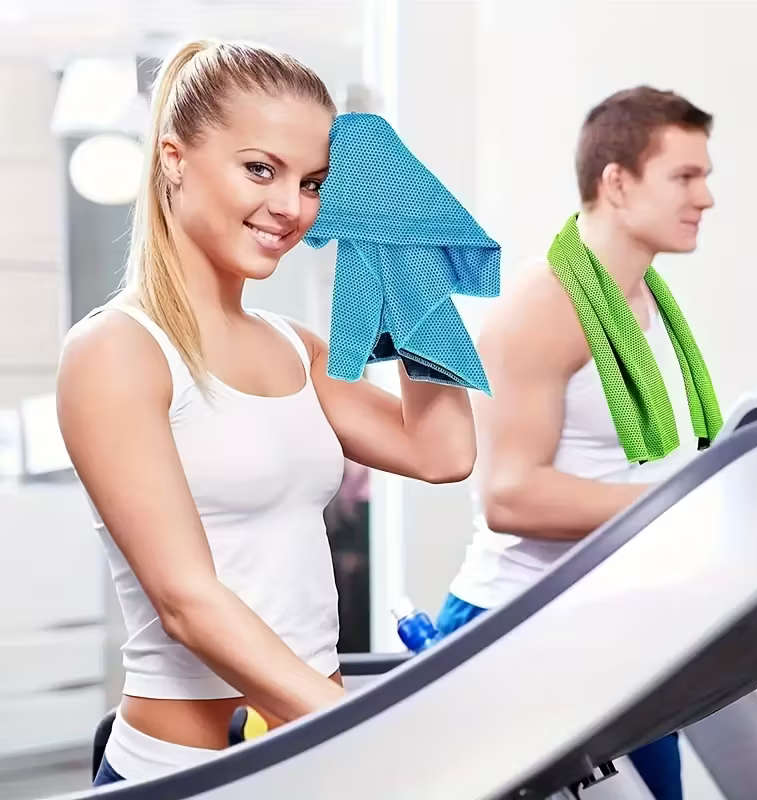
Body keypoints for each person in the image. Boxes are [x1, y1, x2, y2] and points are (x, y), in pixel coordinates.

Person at [56, 39, 476, 786]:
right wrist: (370, 732)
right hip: (186, 771)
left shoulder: (294, 348)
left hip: (314, 756)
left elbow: (442, 452)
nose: (291, 207)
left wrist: (407, 251)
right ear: (174, 158)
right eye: (260, 169)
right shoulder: (116, 351)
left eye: (312, 182)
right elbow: (187, 603)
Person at [440, 86, 721, 800]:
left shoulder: (643, 298)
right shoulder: (545, 305)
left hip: (613, 626)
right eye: (685, 177)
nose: (706, 197)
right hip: (519, 630)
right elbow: (509, 496)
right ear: (617, 183)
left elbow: (632, 464)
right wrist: (690, 503)